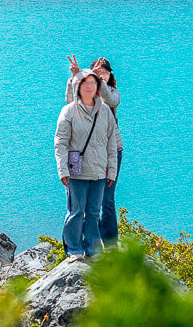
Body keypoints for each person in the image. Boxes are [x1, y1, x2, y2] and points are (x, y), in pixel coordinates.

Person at [55, 68, 118, 260]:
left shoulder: (105, 111)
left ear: (98, 87)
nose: (89, 87)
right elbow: (61, 142)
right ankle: (73, 249)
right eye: (85, 83)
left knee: (93, 212)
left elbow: (111, 142)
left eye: (92, 83)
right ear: (78, 86)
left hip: (99, 171)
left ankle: (92, 249)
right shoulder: (69, 111)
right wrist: (62, 170)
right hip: (77, 172)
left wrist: (111, 172)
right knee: (76, 211)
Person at [65, 56, 122, 244]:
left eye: (105, 71)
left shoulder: (112, 92)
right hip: (84, 151)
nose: (102, 74)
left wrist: (99, 82)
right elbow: (70, 101)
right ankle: (83, 241)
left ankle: (110, 243)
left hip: (110, 149)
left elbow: (110, 101)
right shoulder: (86, 93)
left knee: (107, 199)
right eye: (99, 71)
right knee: (82, 201)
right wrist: (75, 77)